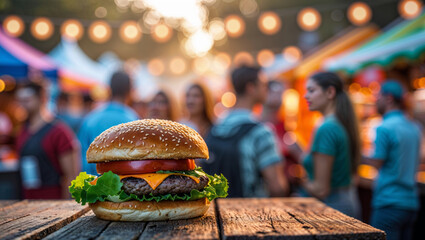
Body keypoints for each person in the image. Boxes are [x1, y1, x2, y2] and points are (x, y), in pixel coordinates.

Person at [204, 65, 288, 197]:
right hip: (251, 212)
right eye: (263, 85)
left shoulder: (216, 127)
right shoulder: (261, 132)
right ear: (251, 88)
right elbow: (277, 187)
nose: (267, 89)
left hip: (216, 209)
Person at [364, 80, 421, 240]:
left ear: (388, 98)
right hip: (411, 202)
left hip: (389, 201)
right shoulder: (414, 127)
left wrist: (358, 155)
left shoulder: (384, 127)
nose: (375, 100)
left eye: (378, 96)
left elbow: (377, 161)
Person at [301, 72, 360, 218]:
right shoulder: (337, 123)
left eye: (311, 90)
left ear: (330, 92)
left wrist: (300, 181)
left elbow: (321, 189)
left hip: (333, 209)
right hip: (344, 203)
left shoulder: (327, 128)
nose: (305, 96)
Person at [15, 81, 80, 199]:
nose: (22, 105)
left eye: (27, 100)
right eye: (20, 100)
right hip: (28, 201)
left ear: (42, 98)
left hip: (52, 201)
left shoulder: (59, 131)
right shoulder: (22, 131)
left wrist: (66, 208)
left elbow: (71, 175)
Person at [78, 71, 139, 175]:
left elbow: (80, 157)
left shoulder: (91, 118)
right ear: (129, 91)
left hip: (92, 185)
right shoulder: (134, 121)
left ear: (109, 89)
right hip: (124, 187)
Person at [261, 80, 301, 194]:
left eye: (282, 92)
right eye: (275, 90)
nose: (279, 96)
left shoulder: (287, 127)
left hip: (288, 188)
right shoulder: (256, 126)